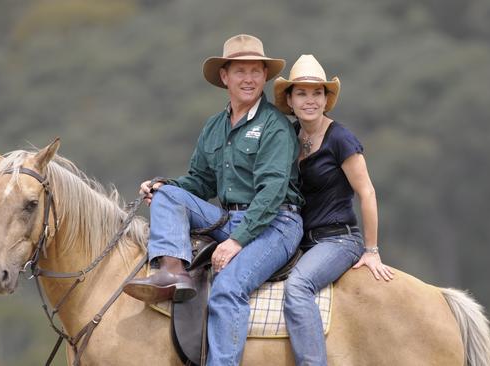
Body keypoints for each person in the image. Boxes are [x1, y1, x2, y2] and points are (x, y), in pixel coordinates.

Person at [123, 34, 304, 365]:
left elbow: (272, 193)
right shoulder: (214, 127)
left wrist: (236, 242)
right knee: (168, 195)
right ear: (225, 77)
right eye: (240, 71)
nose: (248, 79)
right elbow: (200, 181)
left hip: (276, 223)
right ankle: (172, 272)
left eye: (255, 71)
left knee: (227, 290)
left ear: (265, 76)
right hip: (227, 218)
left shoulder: (274, 125)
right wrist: (163, 185)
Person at [273, 55, 394, 366]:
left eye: (317, 93)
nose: (310, 100)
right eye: (301, 93)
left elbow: (366, 192)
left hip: (337, 239)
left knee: (299, 286)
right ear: (289, 98)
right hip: (298, 240)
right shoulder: (288, 136)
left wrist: (372, 249)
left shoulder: (341, 138)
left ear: (327, 99)